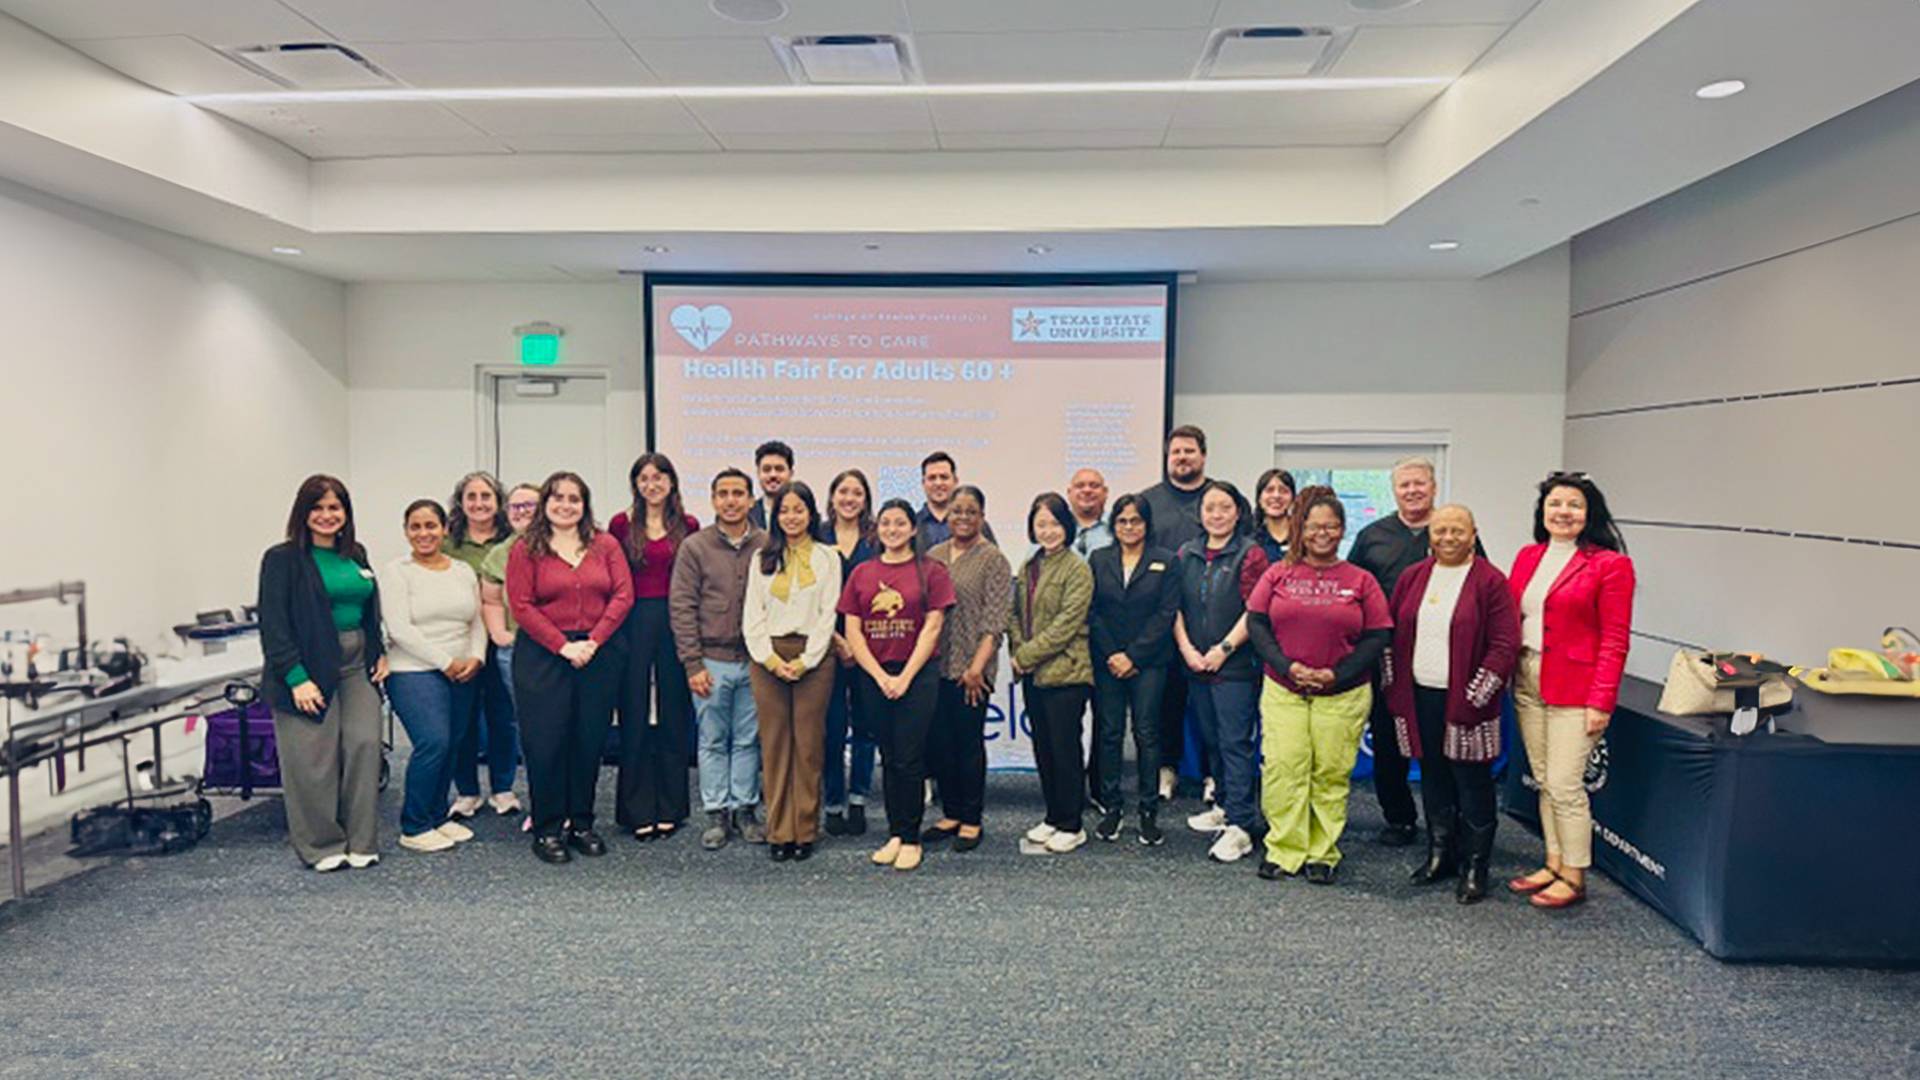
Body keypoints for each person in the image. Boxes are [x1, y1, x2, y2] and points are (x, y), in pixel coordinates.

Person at [1245, 487, 1392, 884]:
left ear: (1343, 530)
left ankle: (1322, 852)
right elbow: (1257, 623)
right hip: (1284, 688)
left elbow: (1378, 635)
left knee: (1329, 772)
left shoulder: (1361, 580)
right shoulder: (1279, 573)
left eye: (1330, 526)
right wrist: (1285, 665)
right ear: (1300, 529)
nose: (1321, 533)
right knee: (1283, 768)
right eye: (1313, 526)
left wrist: (1337, 674)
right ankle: (1284, 849)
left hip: (1342, 692)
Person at [1506, 472, 1635, 910]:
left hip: (1576, 687)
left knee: (1564, 785)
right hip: (1527, 677)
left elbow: (1615, 639)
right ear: (1543, 512)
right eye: (1555, 504)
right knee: (1544, 781)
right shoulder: (1528, 557)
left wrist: (1602, 701)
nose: (1563, 512)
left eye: (1574, 505)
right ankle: (1553, 862)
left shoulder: (1610, 565)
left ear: (1589, 513)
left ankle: (1575, 875)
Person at [1383, 504, 1519, 904]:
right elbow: (1391, 635)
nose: (1448, 537)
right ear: (1430, 534)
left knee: (1472, 782)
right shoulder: (1412, 578)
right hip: (1419, 695)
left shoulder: (1491, 581)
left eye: (1457, 530)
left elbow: (1505, 644)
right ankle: (1440, 853)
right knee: (1432, 775)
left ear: (1474, 533)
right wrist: (1394, 690)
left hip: (1470, 699)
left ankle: (1476, 865)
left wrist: (1478, 696)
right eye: (1440, 530)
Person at [258, 475, 389, 871]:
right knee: (313, 759)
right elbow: (274, 624)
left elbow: (368, 610)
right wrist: (296, 678)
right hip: (307, 664)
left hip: (356, 666)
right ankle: (322, 845)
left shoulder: (356, 554)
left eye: (335, 507)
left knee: (365, 744)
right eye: (318, 508)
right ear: (303, 512)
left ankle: (361, 840)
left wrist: (379, 650)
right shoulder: (282, 559)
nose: (327, 515)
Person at [505, 471, 634, 864]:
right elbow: (521, 605)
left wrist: (594, 640)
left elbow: (623, 594)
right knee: (546, 744)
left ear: (585, 504)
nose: (565, 505)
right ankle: (547, 828)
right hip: (544, 656)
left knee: (587, 741)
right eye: (557, 497)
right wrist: (563, 647)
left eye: (574, 499)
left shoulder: (606, 544)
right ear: (545, 503)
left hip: (599, 653)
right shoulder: (527, 548)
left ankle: (581, 823)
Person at [839, 498, 954, 872]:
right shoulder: (862, 573)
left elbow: (933, 626)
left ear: (913, 528)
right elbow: (852, 630)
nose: (892, 529)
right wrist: (879, 675)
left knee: (909, 756)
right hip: (875, 675)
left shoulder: (931, 570)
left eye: (900, 523)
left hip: (917, 675)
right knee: (887, 757)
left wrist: (904, 677)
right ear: (877, 529)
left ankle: (911, 837)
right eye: (886, 523)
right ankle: (894, 832)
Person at [1348, 455, 1449, 848]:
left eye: (1419, 484)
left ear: (1433, 487)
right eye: (1404, 485)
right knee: (1388, 742)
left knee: (1436, 743)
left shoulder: (1451, 530)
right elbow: (1353, 590)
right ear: (1394, 491)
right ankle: (1399, 818)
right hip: (1385, 656)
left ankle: (1444, 823)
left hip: (1439, 656)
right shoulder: (1373, 535)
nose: (1412, 491)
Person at [378, 499, 487, 854]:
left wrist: (476, 657)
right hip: (413, 670)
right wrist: (446, 662)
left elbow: (477, 620)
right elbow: (399, 629)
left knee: (453, 744)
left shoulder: (461, 571)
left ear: (444, 529)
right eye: (415, 527)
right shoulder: (398, 571)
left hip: (462, 668)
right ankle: (414, 825)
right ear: (407, 531)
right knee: (433, 742)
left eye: (430, 526)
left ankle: (438, 817)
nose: (423, 534)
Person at [669, 467, 769, 851]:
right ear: (713, 500)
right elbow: (682, 606)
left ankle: (745, 809)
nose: (731, 500)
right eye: (723, 493)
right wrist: (692, 663)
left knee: (747, 739)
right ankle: (716, 812)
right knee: (712, 739)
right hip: (710, 659)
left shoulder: (767, 542)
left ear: (750, 499)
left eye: (738, 493)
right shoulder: (695, 546)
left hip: (756, 661)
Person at [743, 481, 842, 863]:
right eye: (785, 510)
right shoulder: (760, 558)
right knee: (775, 744)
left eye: (799, 509)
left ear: (811, 513)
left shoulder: (827, 557)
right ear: (775, 515)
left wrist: (806, 660)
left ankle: (804, 828)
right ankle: (778, 830)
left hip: (812, 658)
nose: (791, 517)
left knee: (808, 744)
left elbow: (827, 615)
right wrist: (769, 659)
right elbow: (752, 614)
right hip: (768, 656)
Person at [1172, 479, 1268, 863]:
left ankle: (1243, 825)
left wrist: (1224, 649)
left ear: (1238, 511)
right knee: (1212, 741)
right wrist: (1188, 651)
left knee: (1234, 743)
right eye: (1210, 508)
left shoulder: (1250, 553)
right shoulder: (1186, 553)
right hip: (1195, 664)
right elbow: (1174, 606)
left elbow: (1255, 609)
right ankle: (1226, 807)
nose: (1216, 515)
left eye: (1224, 508)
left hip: (1236, 666)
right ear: (1200, 513)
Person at [608, 454, 699, 842]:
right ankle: (636, 809)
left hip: (677, 622)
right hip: (633, 623)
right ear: (636, 485)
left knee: (674, 715)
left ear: (671, 482)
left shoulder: (689, 525)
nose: (652, 484)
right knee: (635, 714)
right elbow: (614, 577)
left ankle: (672, 806)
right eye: (644, 478)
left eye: (659, 477)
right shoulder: (620, 525)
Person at [1085, 493, 1178, 844]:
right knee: (1108, 734)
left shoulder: (1166, 561)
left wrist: (1134, 656)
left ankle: (1148, 811)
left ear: (1147, 524)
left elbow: (1166, 614)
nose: (1129, 527)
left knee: (1147, 733)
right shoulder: (1098, 559)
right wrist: (1113, 654)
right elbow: (1092, 612)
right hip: (1107, 660)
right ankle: (1112, 807)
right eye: (1122, 521)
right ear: (1114, 525)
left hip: (1149, 663)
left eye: (1136, 521)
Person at [923, 486, 1011, 853]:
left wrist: (977, 668)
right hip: (935, 666)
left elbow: (996, 620)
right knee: (940, 745)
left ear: (982, 516)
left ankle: (972, 819)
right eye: (956, 511)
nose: (962, 517)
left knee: (968, 746)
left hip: (972, 670)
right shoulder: (933, 555)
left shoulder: (994, 559)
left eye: (970, 511)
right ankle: (951, 813)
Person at [1009, 492, 1096, 854]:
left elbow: (1066, 625)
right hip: (1033, 673)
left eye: (1055, 523)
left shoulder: (1077, 567)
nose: (1048, 531)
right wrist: (1017, 649)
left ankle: (1072, 823)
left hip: (1067, 673)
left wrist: (1025, 655)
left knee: (1065, 750)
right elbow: (1014, 614)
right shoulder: (1029, 565)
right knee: (1043, 748)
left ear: (1067, 526)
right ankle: (1053, 816)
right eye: (1041, 524)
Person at [442, 471, 521, 819]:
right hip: (459, 643)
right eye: (471, 497)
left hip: (503, 637)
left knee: (504, 717)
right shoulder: (447, 543)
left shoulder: (513, 541)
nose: (479, 504)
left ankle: (503, 789)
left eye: (486, 497)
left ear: (498, 502)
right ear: (461, 503)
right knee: (463, 718)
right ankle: (468, 791)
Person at [1139, 425, 1209, 803]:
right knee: (1164, 702)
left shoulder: (1219, 498)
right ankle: (1166, 769)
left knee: (1208, 704)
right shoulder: (1147, 501)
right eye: (1175, 452)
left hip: (1208, 617)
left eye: (1189, 451)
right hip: (1160, 619)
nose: (1181, 458)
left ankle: (1213, 774)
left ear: (1203, 456)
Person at [817, 468, 880, 836]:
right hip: (826, 645)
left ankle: (858, 799)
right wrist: (837, 641)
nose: (849, 498)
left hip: (869, 646)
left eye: (857, 493)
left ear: (865, 500)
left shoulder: (876, 539)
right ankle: (833, 803)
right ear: (833, 496)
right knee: (832, 727)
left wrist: (857, 645)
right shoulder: (818, 536)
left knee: (866, 727)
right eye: (843, 491)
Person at [914, 451, 998, 551]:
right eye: (932, 478)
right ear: (923, 483)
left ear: (955, 481)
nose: (938, 483)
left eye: (944, 477)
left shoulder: (977, 524)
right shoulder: (912, 526)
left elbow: (995, 561)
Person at [746, 439, 793, 531]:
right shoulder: (746, 515)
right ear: (758, 473)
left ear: (790, 474)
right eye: (766, 469)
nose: (773, 475)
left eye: (779, 469)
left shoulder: (806, 515)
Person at [1067, 468, 1114, 557]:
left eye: (1094, 486)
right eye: (1080, 486)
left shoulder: (1117, 526)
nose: (1087, 490)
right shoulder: (1057, 526)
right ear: (1069, 493)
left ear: (1105, 492)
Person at [1252, 468, 1296, 564]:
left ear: (1293, 499)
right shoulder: (1250, 538)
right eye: (1269, 490)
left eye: (1284, 491)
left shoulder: (1303, 535)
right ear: (1259, 499)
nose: (1276, 496)